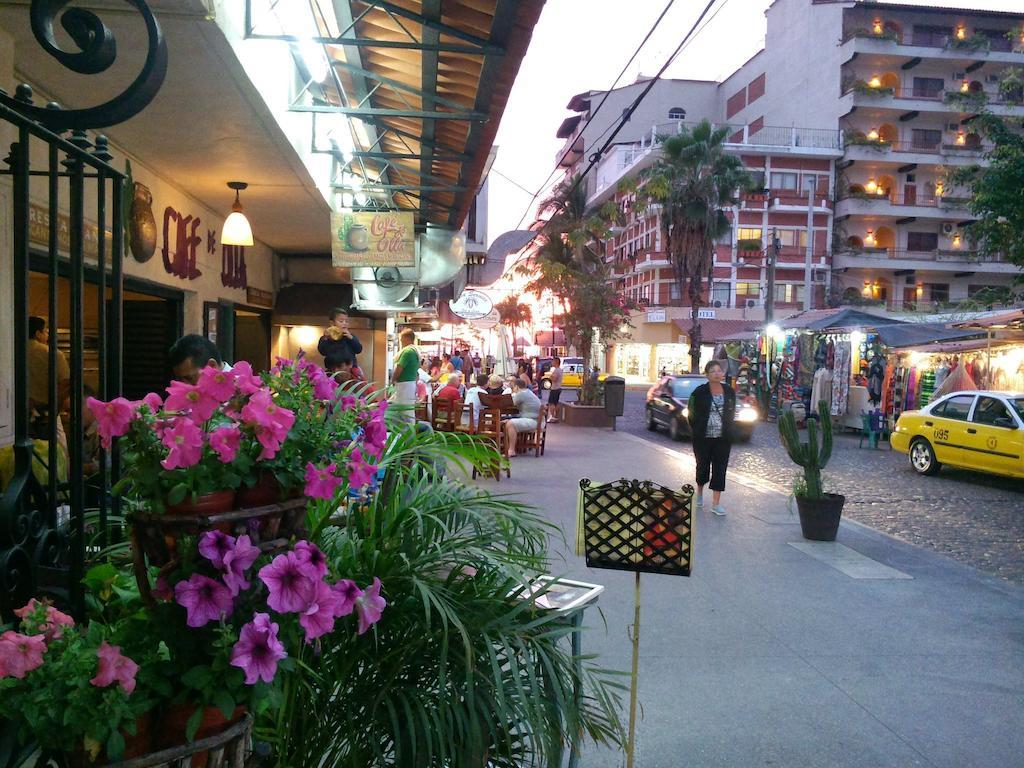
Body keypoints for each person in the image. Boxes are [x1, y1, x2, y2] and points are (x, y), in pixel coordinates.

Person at [686, 360, 736, 516]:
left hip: (723, 437)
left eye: (719, 370)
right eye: (713, 371)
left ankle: (716, 503)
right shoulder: (699, 392)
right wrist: (697, 427)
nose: (717, 373)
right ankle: (699, 494)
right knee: (702, 465)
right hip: (703, 437)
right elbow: (691, 412)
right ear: (707, 374)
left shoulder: (729, 391)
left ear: (723, 373)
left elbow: (731, 411)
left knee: (720, 468)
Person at [27, 315, 70, 443]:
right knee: (54, 451)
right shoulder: (53, 354)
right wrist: (54, 411)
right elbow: (64, 384)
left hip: (18, 413)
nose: (47, 335)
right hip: (47, 413)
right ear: (38, 333)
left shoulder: (11, 352)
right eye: (45, 331)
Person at [505, 376, 542, 458]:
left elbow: (509, 403)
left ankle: (511, 450)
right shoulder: (527, 392)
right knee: (508, 421)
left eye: (513, 387)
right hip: (536, 419)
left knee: (510, 424)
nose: (513, 389)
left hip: (533, 421)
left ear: (517, 387)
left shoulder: (521, 394)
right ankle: (512, 447)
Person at [390, 328, 419, 423]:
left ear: (406, 338)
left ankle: (406, 433)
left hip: (404, 386)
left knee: (403, 411)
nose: (401, 341)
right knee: (408, 410)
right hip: (410, 385)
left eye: (401, 339)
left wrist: (393, 380)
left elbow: (399, 367)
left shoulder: (408, 352)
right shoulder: (414, 351)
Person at [546, 356, 563, 423]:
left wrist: (551, 377)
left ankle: (552, 417)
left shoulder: (556, 370)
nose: (552, 362)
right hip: (558, 388)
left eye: (553, 361)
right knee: (556, 403)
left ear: (556, 362)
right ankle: (556, 416)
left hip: (554, 388)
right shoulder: (560, 370)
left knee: (551, 403)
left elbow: (555, 379)